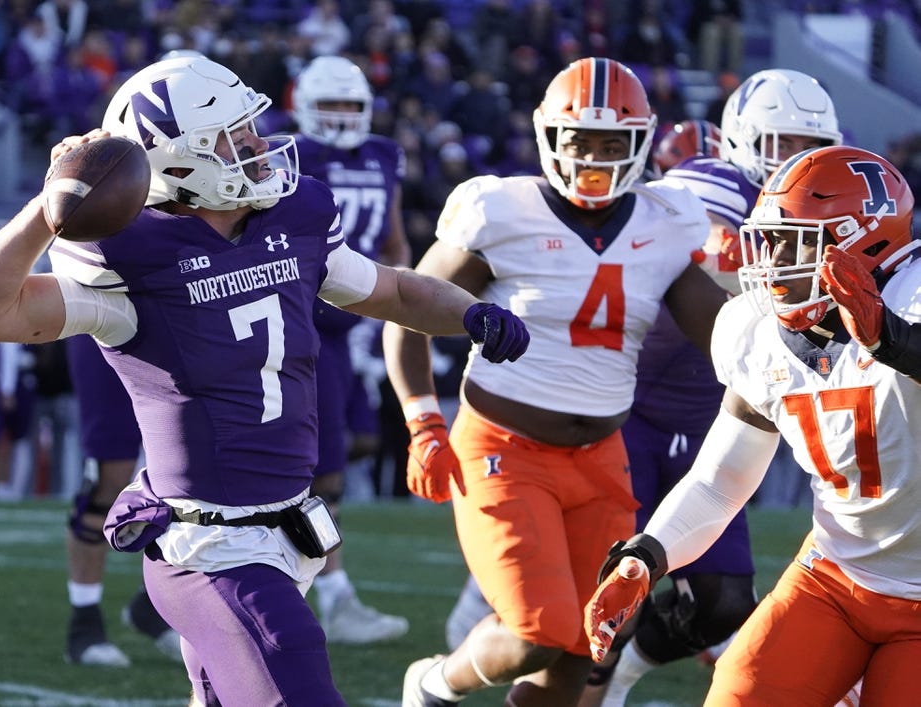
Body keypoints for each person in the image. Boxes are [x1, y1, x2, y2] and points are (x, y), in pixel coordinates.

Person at [0, 55, 530, 706]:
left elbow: (390, 288)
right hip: (209, 545)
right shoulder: (129, 259)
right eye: (232, 134)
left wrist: (469, 313)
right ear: (178, 158)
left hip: (290, 530)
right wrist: (52, 206)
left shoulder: (291, 215)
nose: (256, 143)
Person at [384, 56, 726, 707]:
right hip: (505, 449)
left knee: (592, 640)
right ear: (549, 137)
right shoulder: (501, 209)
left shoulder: (666, 219)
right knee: (538, 633)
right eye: (579, 141)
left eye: (610, 143)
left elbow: (721, 334)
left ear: (640, 145)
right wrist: (423, 419)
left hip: (602, 455)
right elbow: (407, 310)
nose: (593, 157)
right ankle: (431, 683)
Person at [585, 144, 921, 706]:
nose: (772, 258)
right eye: (770, 238)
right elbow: (721, 481)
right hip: (836, 576)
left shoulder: (912, 299)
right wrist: (647, 555)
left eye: (794, 241)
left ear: (860, 241)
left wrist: (893, 339)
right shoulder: (758, 330)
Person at [579, 67, 844, 707]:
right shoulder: (705, 185)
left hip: (716, 413)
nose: (797, 162)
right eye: (782, 144)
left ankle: (624, 677)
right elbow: (670, 219)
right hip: (633, 408)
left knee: (725, 603)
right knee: (605, 582)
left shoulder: (825, 203)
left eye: (811, 147)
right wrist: (720, 247)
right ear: (741, 139)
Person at [291, 53, 411, 645]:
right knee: (325, 470)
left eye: (350, 105)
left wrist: (397, 303)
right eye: (330, 105)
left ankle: (313, 582)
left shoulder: (383, 155)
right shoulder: (288, 156)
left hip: (352, 317)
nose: (341, 118)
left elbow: (392, 236)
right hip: (305, 319)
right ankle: (331, 594)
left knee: (358, 443)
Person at [62, 333, 178, 666]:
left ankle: (155, 606)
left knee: (186, 476)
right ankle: (84, 623)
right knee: (107, 479)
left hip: (173, 314)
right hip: (104, 317)